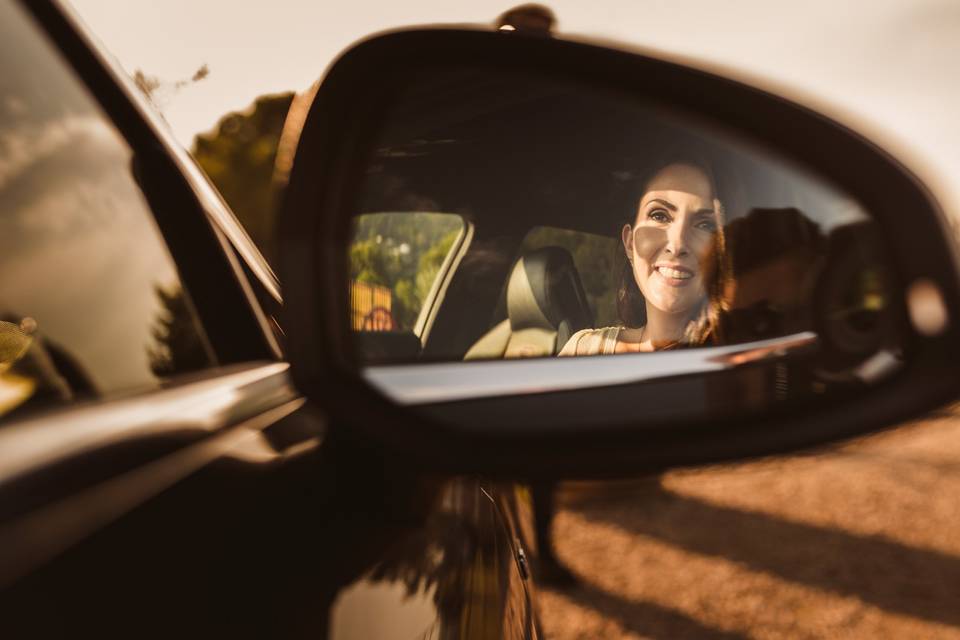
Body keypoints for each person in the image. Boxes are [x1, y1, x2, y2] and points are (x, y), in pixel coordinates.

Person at [560, 160, 728, 356]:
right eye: (659, 216)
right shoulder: (583, 349)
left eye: (705, 225)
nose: (677, 245)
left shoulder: (740, 359)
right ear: (630, 243)